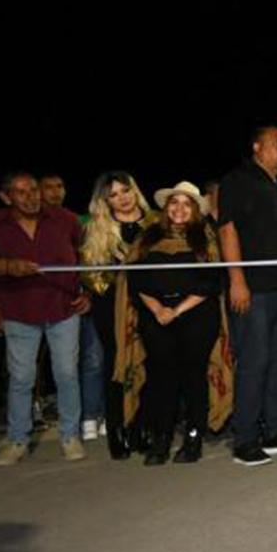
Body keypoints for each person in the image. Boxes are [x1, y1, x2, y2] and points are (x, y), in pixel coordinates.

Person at [118, 182, 229, 465]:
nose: (180, 208)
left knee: (194, 375)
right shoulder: (147, 236)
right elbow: (135, 278)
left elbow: (211, 282)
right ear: (166, 207)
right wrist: (158, 309)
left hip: (196, 313)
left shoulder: (205, 237)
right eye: (174, 203)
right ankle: (162, 438)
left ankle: (193, 437)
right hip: (155, 314)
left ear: (195, 210)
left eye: (187, 204)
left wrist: (176, 310)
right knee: (161, 377)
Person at [218, 125, 277, 466]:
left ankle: (274, 429)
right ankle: (245, 438)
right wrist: (237, 280)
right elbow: (227, 230)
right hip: (254, 290)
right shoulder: (237, 181)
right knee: (254, 364)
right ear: (257, 147)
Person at [0, 172, 89, 465]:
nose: (31, 197)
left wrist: (87, 291)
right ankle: (18, 439)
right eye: (21, 192)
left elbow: (86, 256)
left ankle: (70, 436)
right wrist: (7, 267)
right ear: (6, 197)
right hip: (17, 310)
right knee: (21, 377)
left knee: (67, 373)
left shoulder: (65, 219)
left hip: (63, 307)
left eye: (33, 189)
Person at [79, 171, 159, 459]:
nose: (122, 198)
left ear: (134, 190)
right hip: (111, 307)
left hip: (152, 304)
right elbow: (91, 275)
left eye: (125, 190)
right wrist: (121, 285)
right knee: (117, 364)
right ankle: (117, 430)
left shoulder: (155, 223)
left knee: (150, 363)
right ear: (105, 201)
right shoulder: (97, 228)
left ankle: (143, 428)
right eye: (113, 195)